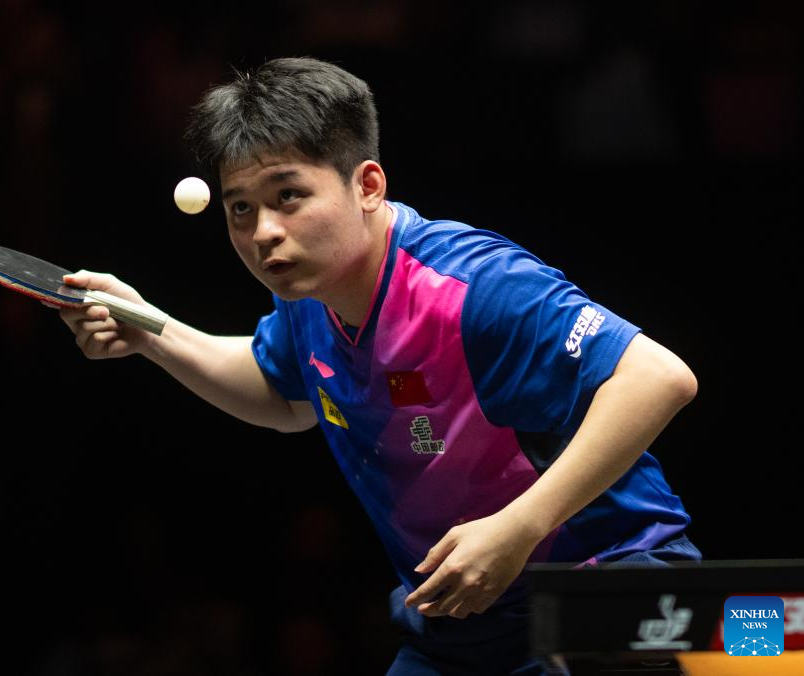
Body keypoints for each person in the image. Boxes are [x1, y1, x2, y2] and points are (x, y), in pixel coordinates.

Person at [57, 57, 701, 675]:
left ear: (367, 185)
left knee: (739, 638)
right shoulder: (308, 298)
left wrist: (520, 526)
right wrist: (152, 331)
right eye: (241, 208)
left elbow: (657, 377)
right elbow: (282, 396)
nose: (264, 232)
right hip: (465, 628)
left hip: (609, 587)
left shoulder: (474, 286)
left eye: (288, 195)